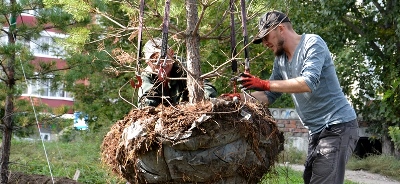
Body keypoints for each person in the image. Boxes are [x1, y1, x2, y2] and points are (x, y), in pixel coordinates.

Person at [235, 10, 359, 184]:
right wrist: (240, 98)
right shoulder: (281, 61)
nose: (264, 43)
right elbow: (269, 95)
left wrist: (263, 83)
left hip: (337, 126)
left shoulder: (313, 43)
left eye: (266, 37)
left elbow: (308, 83)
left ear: (280, 29)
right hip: (316, 132)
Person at [138, 37, 217, 108]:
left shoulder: (184, 66)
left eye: (164, 57)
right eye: (155, 61)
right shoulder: (147, 75)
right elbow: (146, 101)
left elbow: (206, 88)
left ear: (172, 53)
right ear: (147, 62)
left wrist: (205, 101)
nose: (161, 63)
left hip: (189, 110)